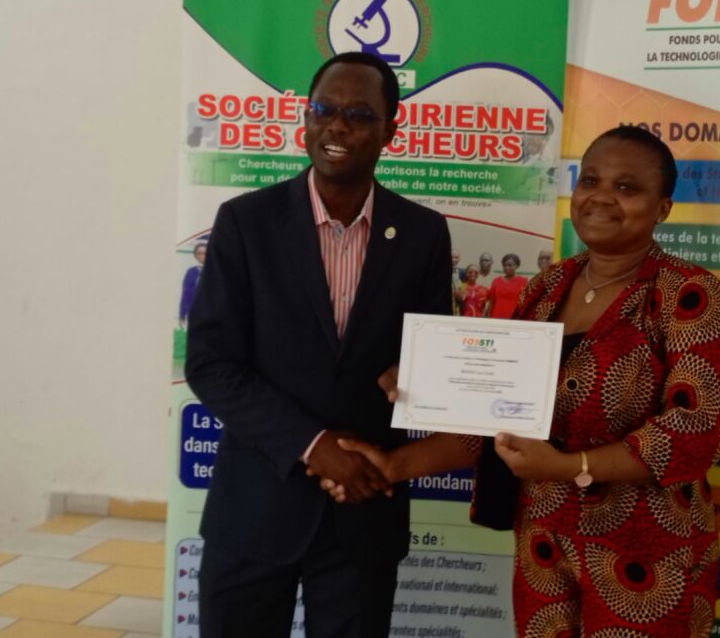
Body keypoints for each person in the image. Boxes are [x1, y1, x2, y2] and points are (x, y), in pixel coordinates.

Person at [332, 125, 720, 637]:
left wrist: (571, 466)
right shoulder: (547, 288)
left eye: (626, 187)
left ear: (663, 208)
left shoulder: (693, 296)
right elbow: (499, 413)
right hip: (543, 549)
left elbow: (698, 431)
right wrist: (396, 462)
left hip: (649, 560)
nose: (601, 197)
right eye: (590, 180)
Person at [185, 51, 452, 638]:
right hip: (255, 510)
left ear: (391, 130)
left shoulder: (423, 234)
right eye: (323, 109)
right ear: (305, 119)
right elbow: (211, 363)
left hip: (364, 512)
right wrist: (315, 447)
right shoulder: (246, 223)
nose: (337, 126)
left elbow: (436, 355)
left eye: (359, 114)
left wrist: (414, 373)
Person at [487, 253, 528, 319]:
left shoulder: (523, 281)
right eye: (505, 265)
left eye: (510, 265)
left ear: (517, 266)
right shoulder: (496, 281)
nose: (507, 268)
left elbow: (525, 303)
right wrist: (488, 318)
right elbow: (491, 302)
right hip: (496, 317)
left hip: (514, 318)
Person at [179, 241, 207, 328]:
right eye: (199, 253)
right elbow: (185, 294)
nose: (202, 256)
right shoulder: (191, 272)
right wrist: (182, 315)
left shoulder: (216, 271)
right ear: (195, 255)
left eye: (205, 253)